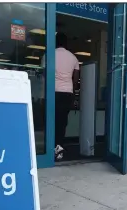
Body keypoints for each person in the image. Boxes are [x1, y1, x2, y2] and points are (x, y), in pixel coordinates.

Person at [51, 32, 80, 161]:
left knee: (51, 122)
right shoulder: (73, 58)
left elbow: (44, 74)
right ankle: (59, 149)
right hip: (67, 93)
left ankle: (50, 149)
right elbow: (76, 79)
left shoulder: (49, 55)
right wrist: (73, 94)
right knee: (62, 123)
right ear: (66, 43)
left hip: (53, 92)